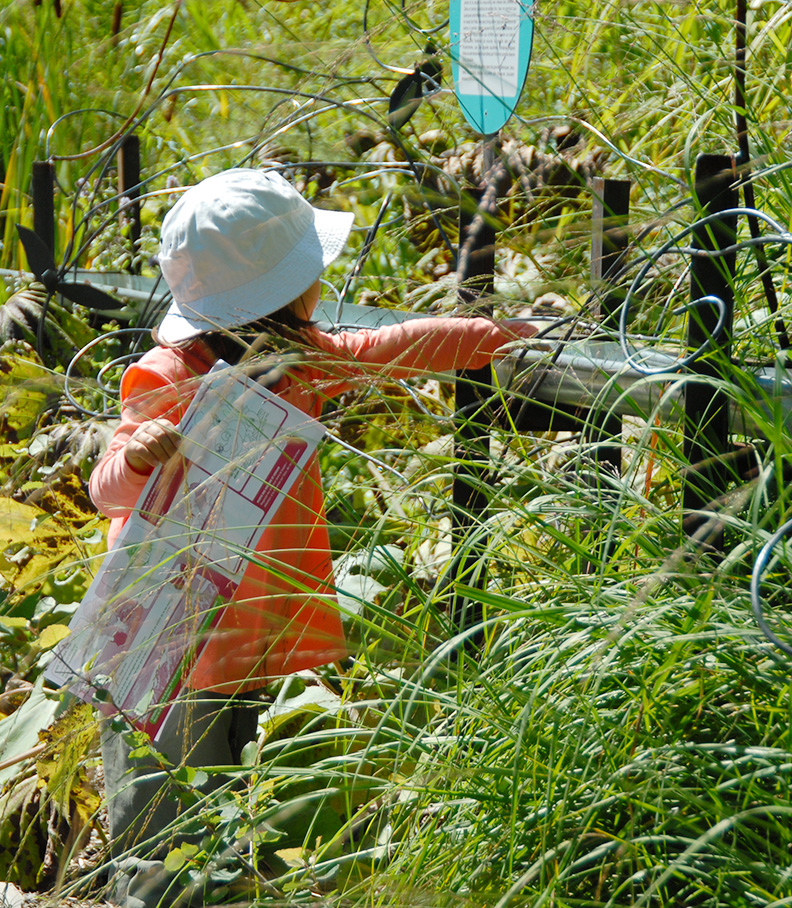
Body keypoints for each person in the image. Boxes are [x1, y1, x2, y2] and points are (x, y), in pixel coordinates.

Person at [87, 168, 526, 898]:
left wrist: (490, 337)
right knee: (161, 823)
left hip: (257, 627)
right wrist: (138, 454)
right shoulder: (167, 375)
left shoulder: (300, 362)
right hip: (166, 638)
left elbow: (394, 346)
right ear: (289, 290)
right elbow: (106, 491)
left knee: (262, 802)